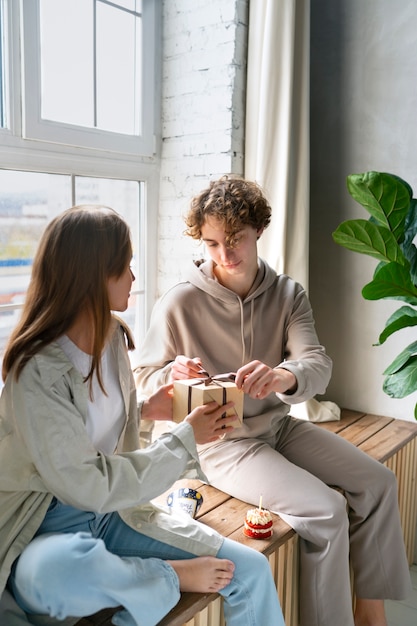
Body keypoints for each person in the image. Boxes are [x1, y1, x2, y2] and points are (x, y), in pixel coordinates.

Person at [134, 175, 413, 626]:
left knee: (378, 482)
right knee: (326, 510)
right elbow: (141, 380)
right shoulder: (178, 303)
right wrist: (172, 373)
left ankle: (371, 614)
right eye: (212, 244)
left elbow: (316, 364)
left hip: (279, 427)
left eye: (235, 240)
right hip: (220, 444)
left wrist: (282, 375)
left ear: (257, 230)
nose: (225, 256)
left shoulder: (287, 294)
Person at [0, 205, 285, 626]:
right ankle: (166, 577)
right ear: (93, 274)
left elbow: (83, 429)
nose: (133, 276)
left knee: (252, 570)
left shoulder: (111, 338)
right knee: (55, 572)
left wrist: (147, 409)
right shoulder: (35, 370)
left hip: (115, 514)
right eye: (125, 265)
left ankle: (140, 581)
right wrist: (186, 437)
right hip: (45, 528)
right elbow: (86, 485)